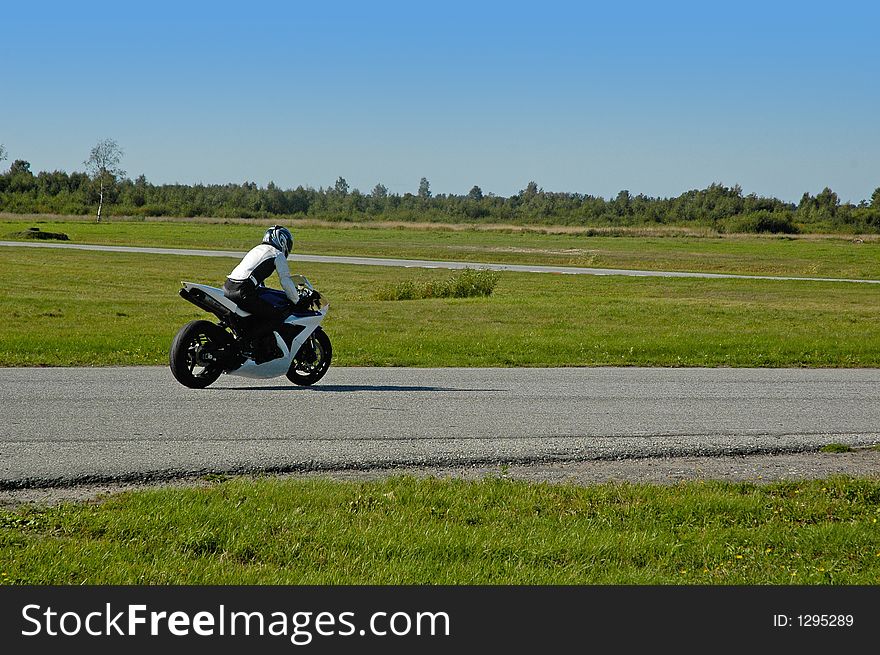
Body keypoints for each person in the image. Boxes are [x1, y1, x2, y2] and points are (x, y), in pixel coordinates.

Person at [223, 225, 301, 363]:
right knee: (276, 316)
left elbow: (252, 273)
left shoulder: (257, 249)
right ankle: (248, 343)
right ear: (282, 241)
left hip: (228, 287)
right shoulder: (277, 253)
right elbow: (286, 281)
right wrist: (297, 301)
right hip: (244, 290)